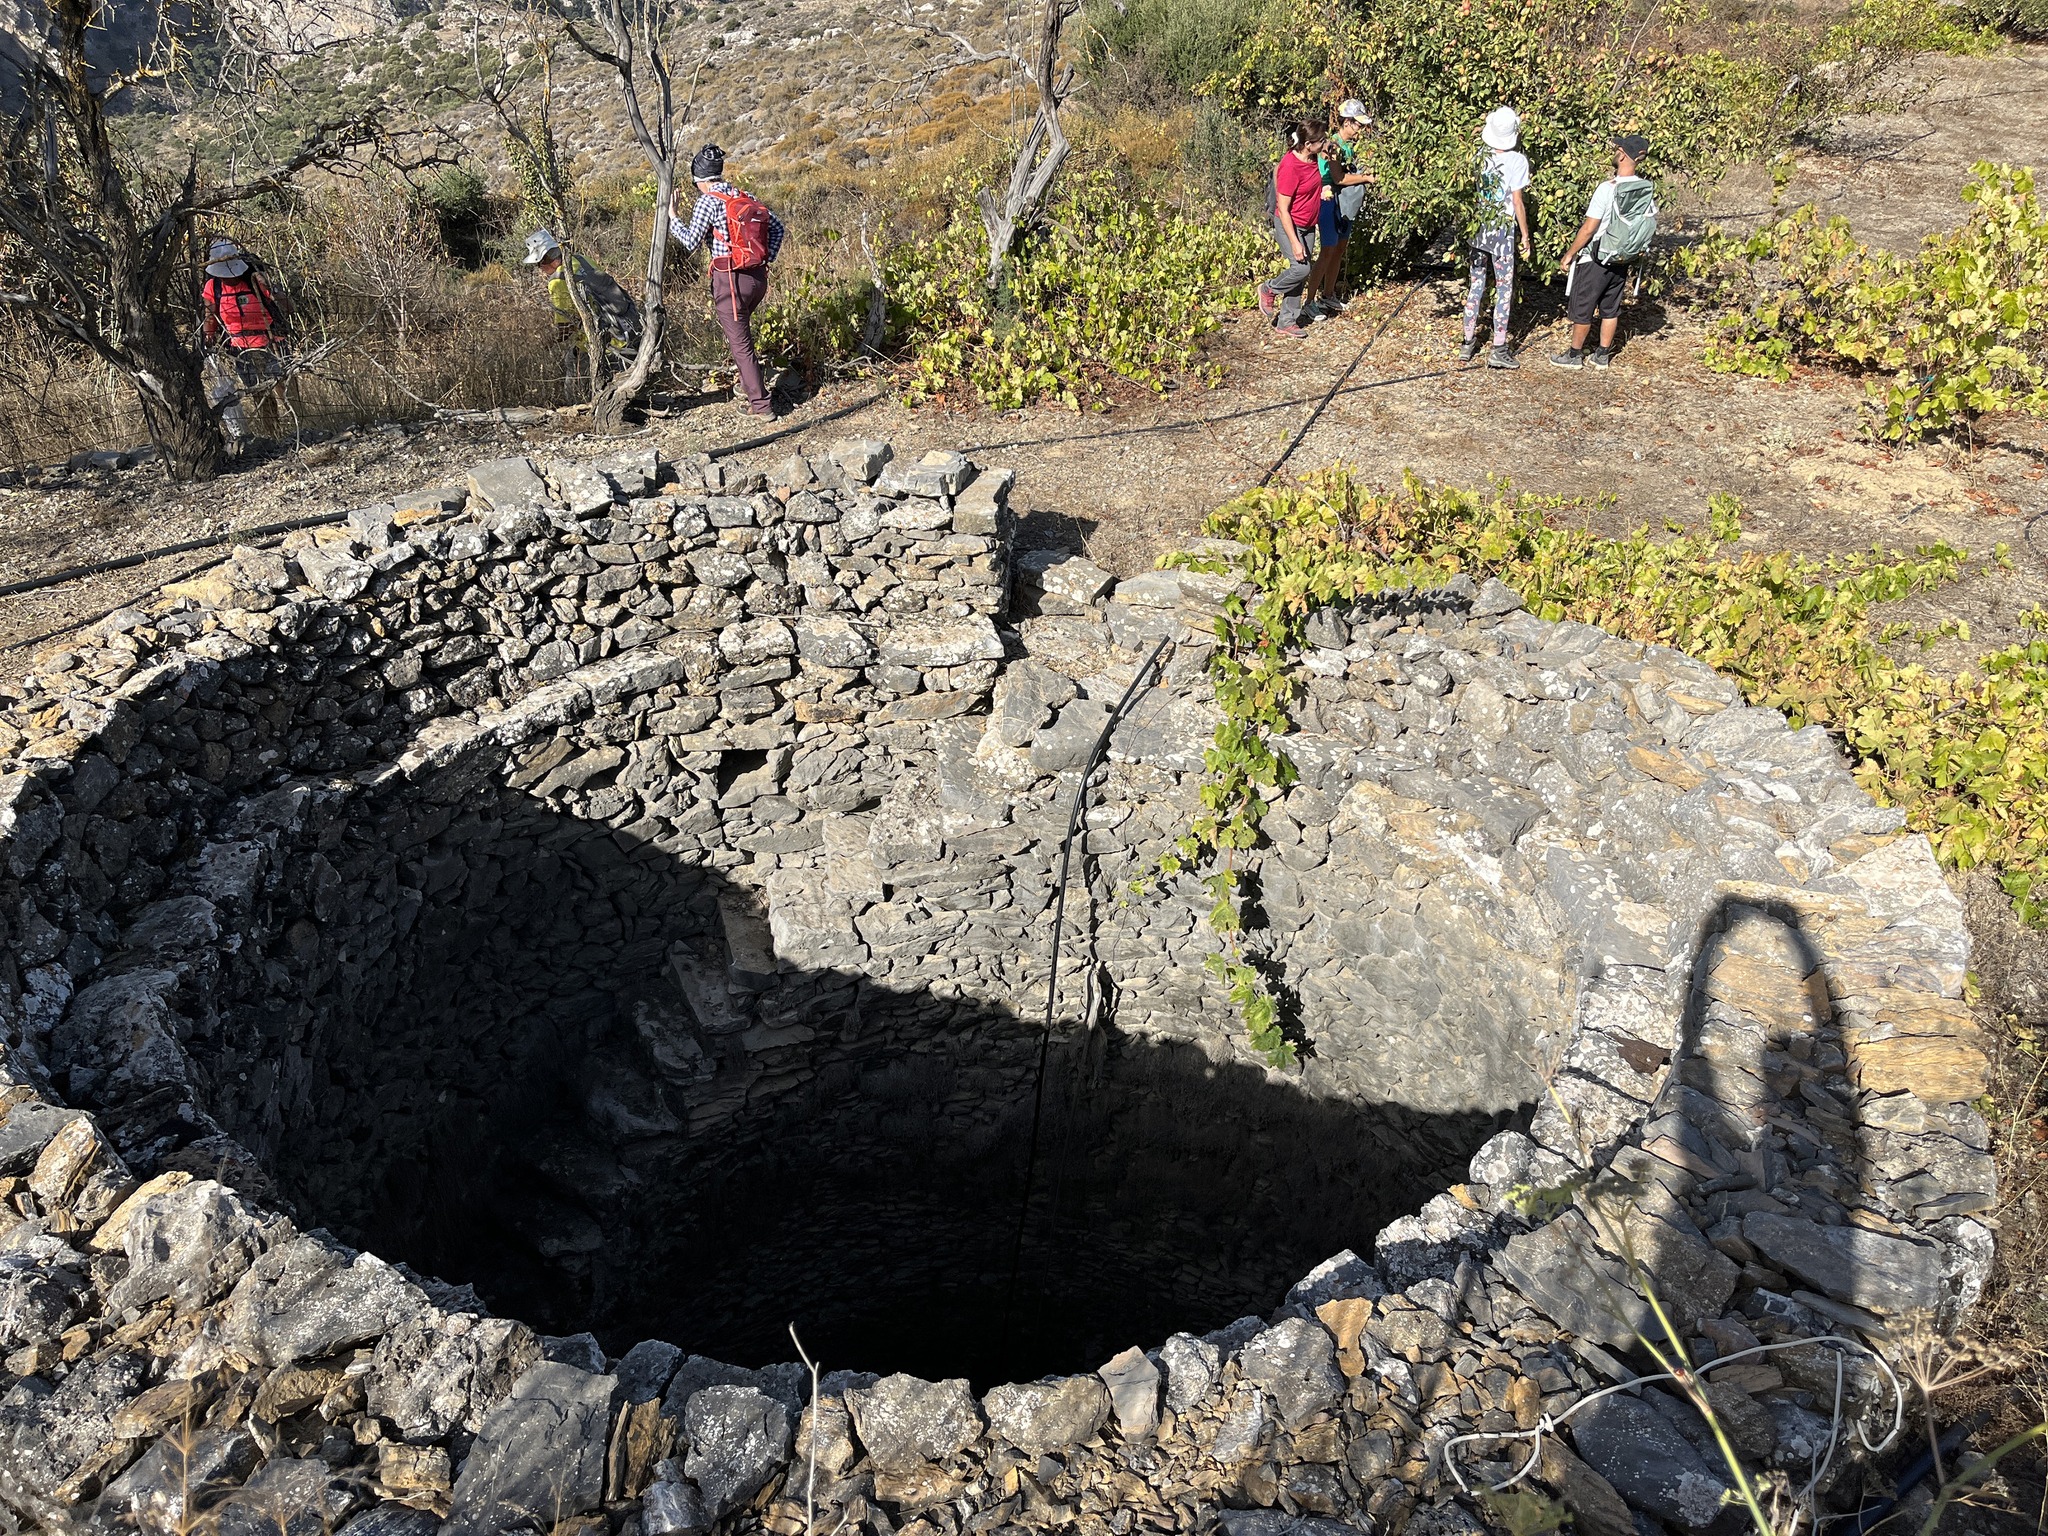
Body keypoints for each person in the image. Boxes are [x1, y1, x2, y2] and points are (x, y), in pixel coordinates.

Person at [670, 145, 786, 419]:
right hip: (757, 279)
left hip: (729, 282)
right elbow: (778, 227)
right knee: (742, 337)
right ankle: (749, 385)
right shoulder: (743, 195)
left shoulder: (707, 201)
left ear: (699, 179)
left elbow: (690, 243)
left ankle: (761, 406)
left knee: (741, 345)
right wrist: (765, 258)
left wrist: (673, 218)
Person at [1552, 134, 1658, 371]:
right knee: (1611, 307)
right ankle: (1602, 355)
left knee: (1583, 307)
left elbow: (1589, 228)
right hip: (1622, 257)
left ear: (1621, 154)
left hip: (1596, 257)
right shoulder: (1644, 189)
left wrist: (1570, 253)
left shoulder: (1607, 189)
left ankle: (1574, 354)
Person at [523, 230, 643, 395]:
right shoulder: (581, 259)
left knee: (576, 383)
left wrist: (546, 343)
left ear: (546, 259)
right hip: (625, 329)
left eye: (538, 264)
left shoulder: (558, 282)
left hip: (602, 343)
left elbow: (566, 328)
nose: (539, 269)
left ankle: (578, 410)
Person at [200, 238, 295, 441]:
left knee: (283, 386)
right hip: (240, 347)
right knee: (259, 392)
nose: (229, 278)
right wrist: (208, 338)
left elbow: (288, 308)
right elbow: (211, 317)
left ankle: (298, 426)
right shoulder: (213, 286)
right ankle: (274, 434)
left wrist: (271, 288)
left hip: (272, 342)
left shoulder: (255, 280)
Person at [1460, 106, 1532, 370]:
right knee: (1504, 288)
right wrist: (1525, 235)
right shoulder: (1517, 161)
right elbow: (1517, 201)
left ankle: (1467, 342)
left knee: (1476, 284)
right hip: (1502, 234)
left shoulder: (1479, 156)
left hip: (1478, 230)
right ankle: (1499, 347)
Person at [1304, 100, 1375, 318]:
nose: (1360, 130)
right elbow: (1338, 177)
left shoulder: (1350, 147)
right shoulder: (1333, 145)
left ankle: (1328, 294)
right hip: (1329, 200)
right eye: (1357, 125)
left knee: (1339, 249)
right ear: (1347, 122)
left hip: (1345, 203)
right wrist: (1366, 178)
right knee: (1327, 251)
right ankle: (1309, 301)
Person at [1257, 122, 1327, 340]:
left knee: (1301, 271)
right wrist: (1295, 242)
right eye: (1321, 141)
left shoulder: (1313, 157)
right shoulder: (1290, 166)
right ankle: (1269, 289)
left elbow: (1312, 183)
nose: (1324, 143)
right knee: (1301, 269)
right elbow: (1284, 210)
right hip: (1290, 223)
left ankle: (1287, 322)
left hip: (1308, 223)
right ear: (1308, 144)